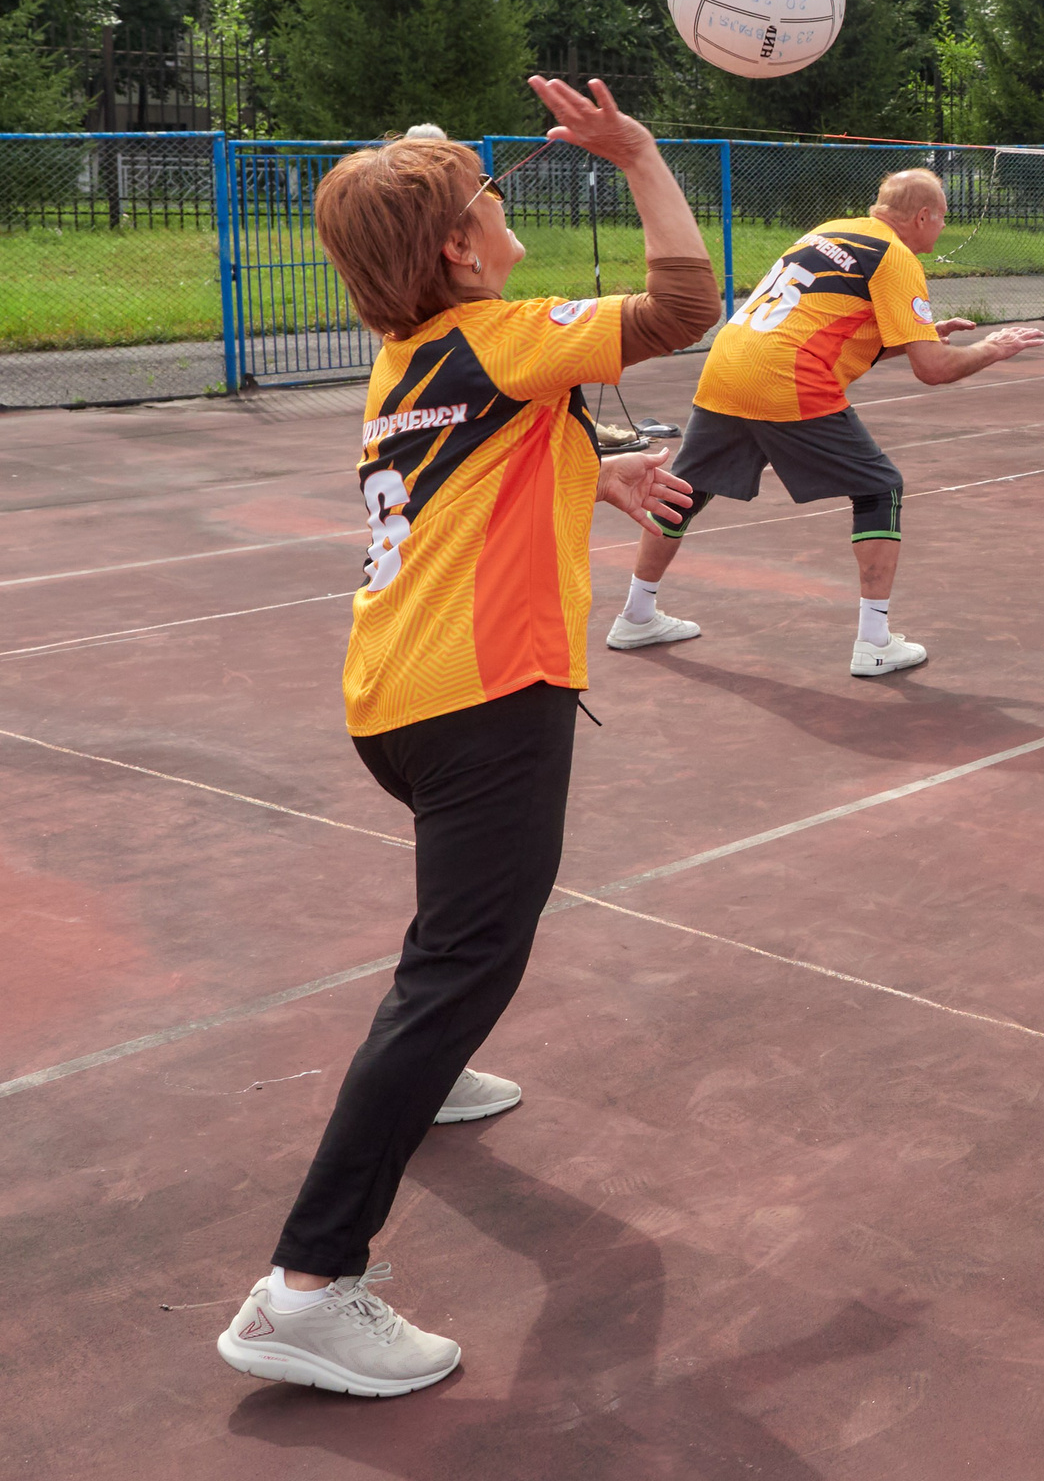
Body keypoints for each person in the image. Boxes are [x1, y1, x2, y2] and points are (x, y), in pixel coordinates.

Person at [216, 79, 719, 1398]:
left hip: (396, 695)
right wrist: (642, 155)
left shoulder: (413, 360)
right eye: (485, 197)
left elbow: (466, 473)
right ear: (458, 247)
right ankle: (308, 1285)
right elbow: (683, 312)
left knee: (456, 944)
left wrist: (588, 473)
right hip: (484, 697)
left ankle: (423, 1073)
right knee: (468, 957)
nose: (501, 207)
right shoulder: (496, 334)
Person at [609, 170, 1044, 676]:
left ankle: (636, 615)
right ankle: (875, 642)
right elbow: (934, 370)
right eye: (943, 217)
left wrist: (911, 335)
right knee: (880, 489)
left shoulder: (830, 230)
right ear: (923, 216)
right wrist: (992, 349)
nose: (943, 228)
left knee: (685, 491)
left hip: (729, 362)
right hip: (787, 374)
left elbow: (825, 324)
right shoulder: (897, 257)